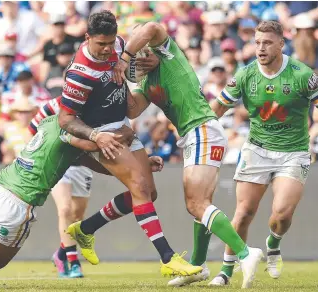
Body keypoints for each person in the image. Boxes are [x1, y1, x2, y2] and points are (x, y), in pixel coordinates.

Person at [0, 114, 165, 290]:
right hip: (18, 202)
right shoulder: (72, 130)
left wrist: (142, 165)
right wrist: (135, 148)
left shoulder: (51, 119)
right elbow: (102, 146)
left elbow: (87, 160)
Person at [111, 21, 263, 288]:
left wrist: (124, 58)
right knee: (200, 206)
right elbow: (132, 110)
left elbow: (150, 27)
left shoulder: (168, 52)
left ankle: (245, 253)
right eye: (140, 52)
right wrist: (120, 79)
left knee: (196, 204)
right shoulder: (147, 83)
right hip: (197, 134)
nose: (144, 54)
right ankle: (198, 266)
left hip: (201, 129)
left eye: (144, 49)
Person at [58, 10, 201, 277]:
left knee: (148, 194)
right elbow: (65, 120)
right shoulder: (79, 74)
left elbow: (143, 34)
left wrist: (132, 62)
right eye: (100, 44)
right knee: (139, 187)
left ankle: (85, 228)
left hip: (123, 126)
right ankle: (168, 258)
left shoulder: (120, 46)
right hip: (102, 134)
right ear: (87, 37)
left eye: (111, 43)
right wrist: (94, 136)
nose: (106, 49)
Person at [208, 20, 317, 286]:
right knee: (243, 213)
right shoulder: (245, 75)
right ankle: (225, 270)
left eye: (267, 42)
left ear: (281, 44)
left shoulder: (302, 74)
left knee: (281, 215)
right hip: (256, 149)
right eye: (257, 42)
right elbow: (217, 109)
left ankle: (273, 242)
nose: (260, 48)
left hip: (293, 151)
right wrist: (196, 129)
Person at [29, 95, 91, 278]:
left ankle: (61, 254)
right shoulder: (54, 105)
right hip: (58, 165)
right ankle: (74, 263)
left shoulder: (94, 105)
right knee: (64, 210)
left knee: (77, 218)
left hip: (84, 165)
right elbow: (33, 127)